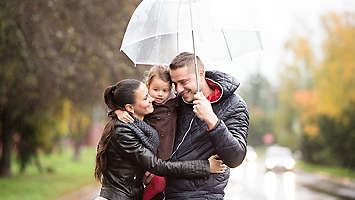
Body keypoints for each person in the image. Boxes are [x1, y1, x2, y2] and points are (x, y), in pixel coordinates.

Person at [95, 79, 226, 200]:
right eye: (146, 98)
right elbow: (158, 166)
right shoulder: (123, 132)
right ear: (130, 107)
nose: (152, 98)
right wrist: (205, 167)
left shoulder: (140, 124)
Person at [165, 52, 249, 199]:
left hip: (202, 195)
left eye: (184, 82)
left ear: (201, 74)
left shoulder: (235, 106)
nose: (178, 89)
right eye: (175, 84)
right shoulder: (177, 102)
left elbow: (235, 158)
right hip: (167, 193)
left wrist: (212, 120)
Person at [115, 66, 178, 200]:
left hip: (165, 157)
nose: (160, 94)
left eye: (165, 90)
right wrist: (116, 111)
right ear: (147, 86)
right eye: (155, 90)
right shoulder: (146, 106)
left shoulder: (174, 104)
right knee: (156, 184)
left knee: (160, 186)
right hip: (149, 156)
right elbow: (123, 101)